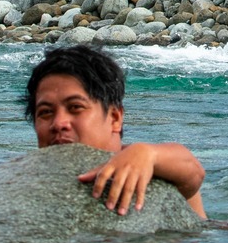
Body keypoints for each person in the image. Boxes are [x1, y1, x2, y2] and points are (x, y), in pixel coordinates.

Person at [24, 46, 206, 217]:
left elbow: (192, 171)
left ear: (115, 118)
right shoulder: (26, 178)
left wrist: (146, 154)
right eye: (46, 112)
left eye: (75, 107)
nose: (58, 123)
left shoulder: (139, 164)